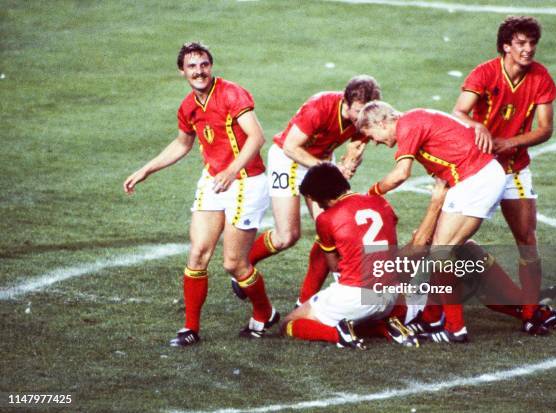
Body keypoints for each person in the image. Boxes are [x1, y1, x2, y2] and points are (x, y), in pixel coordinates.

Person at [123, 42, 278, 347]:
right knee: (197, 254)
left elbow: (257, 137)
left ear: (211, 66)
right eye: (192, 66)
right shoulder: (188, 107)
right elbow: (182, 144)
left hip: (246, 180)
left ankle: (265, 311)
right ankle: (190, 327)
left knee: (234, 263)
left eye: (204, 64)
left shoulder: (232, 93)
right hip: (214, 179)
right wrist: (146, 170)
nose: (199, 71)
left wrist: (232, 170)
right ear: (182, 71)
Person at [452, 16, 556, 335]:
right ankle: (441, 312)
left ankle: (532, 313)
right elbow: (459, 112)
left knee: (527, 241)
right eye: (521, 43)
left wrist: (510, 143)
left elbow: (545, 128)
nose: (528, 49)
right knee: (450, 242)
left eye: (532, 43)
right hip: (478, 169)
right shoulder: (484, 73)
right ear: (506, 46)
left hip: (514, 170)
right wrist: (478, 126)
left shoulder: (541, 77)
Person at [357, 101, 508, 343]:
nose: (374, 142)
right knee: (443, 248)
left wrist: (370, 195)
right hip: (477, 177)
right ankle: (436, 315)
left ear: (381, 122)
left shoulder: (407, 125)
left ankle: (455, 326)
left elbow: (400, 174)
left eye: (371, 135)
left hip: (476, 179)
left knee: (441, 250)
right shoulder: (414, 119)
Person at [234, 76, 382, 305]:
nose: (363, 118)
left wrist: (350, 163)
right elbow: (291, 147)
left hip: (321, 162)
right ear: (345, 101)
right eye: (359, 111)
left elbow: (356, 145)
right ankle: (243, 266)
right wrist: (330, 170)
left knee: (330, 228)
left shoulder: (362, 116)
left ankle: (306, 299)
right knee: (287, 236)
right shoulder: (320, 107)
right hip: (290, 161)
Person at [281, 163, 448, 349]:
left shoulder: (325, 219)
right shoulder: (381, 202)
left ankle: (339, 335)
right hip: (390, 296)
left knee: (289, 323)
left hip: (355, 296)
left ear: (318, 196)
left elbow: (335, 266)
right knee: (362, 312)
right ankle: (385, 327)